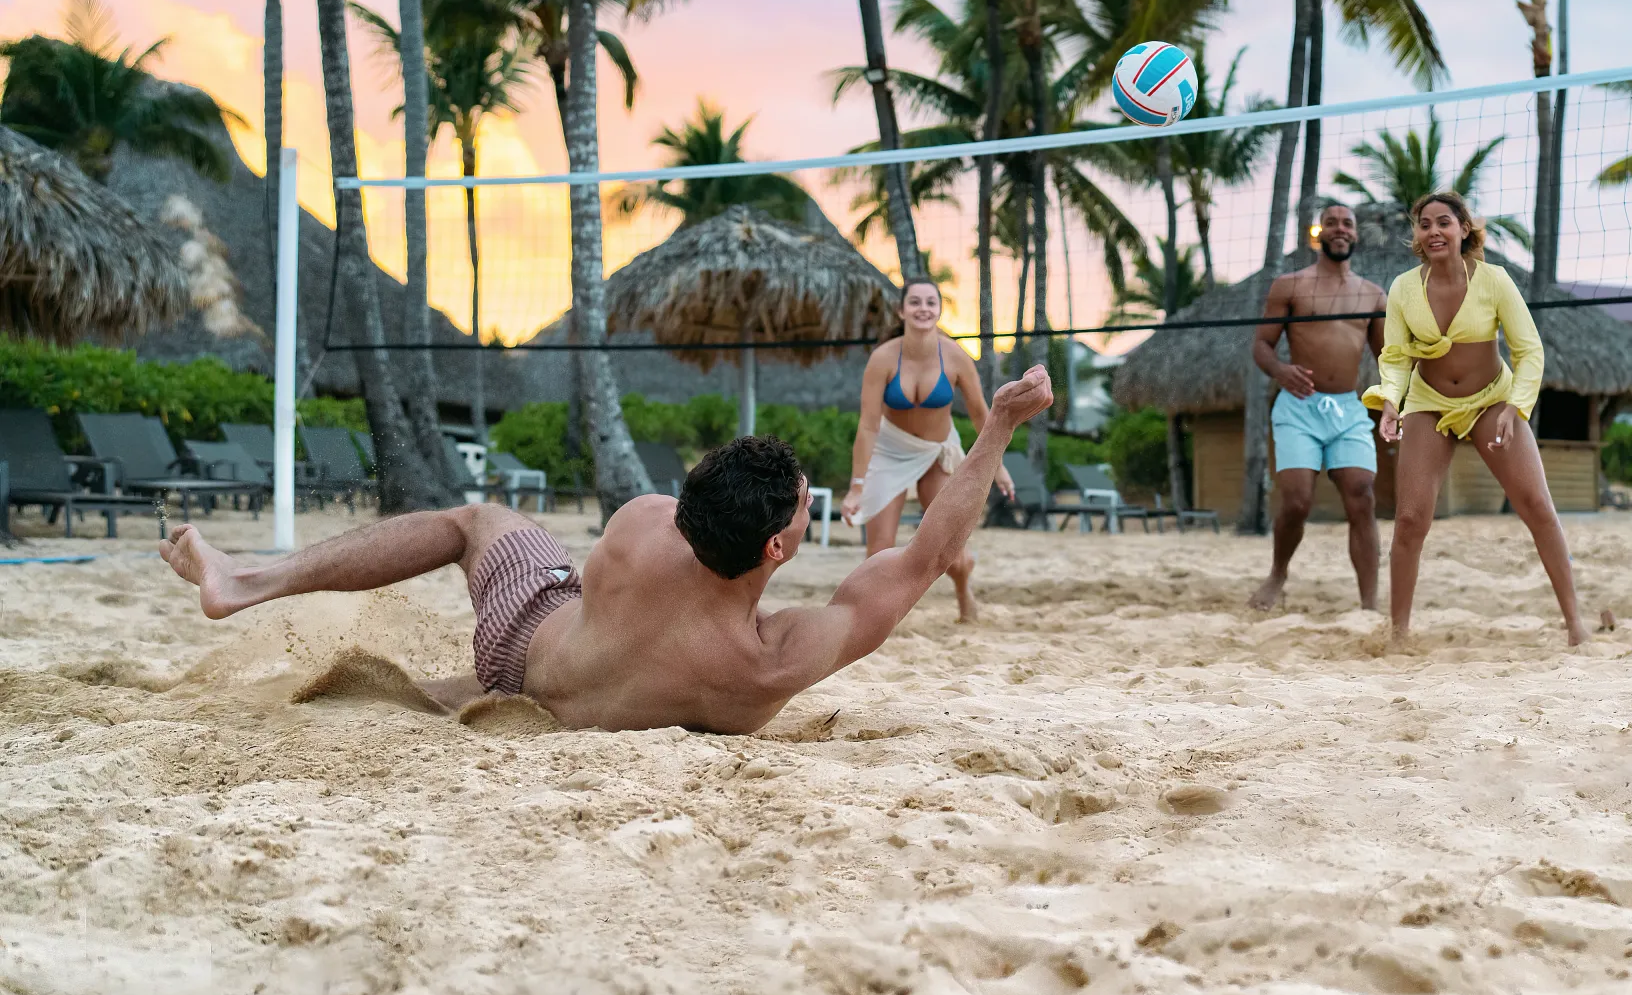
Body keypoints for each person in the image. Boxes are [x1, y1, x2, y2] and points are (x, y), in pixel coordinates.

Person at [159, 367, 1055, 735]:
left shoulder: (641, 523)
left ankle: (250, 579)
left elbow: (697, 515)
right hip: (574, 707)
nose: (810, 502)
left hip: (522, 647)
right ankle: (261, 592)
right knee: (479, 531)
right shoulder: (769, 662)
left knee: (474, 524)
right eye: (803, 504)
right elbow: (931, 554)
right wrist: (1000, 424)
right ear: (780, 543)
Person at [1365, 191, 1586, 647]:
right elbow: (1394, 355)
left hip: (1491, 400)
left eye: (1443, 222)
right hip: (1429, 401)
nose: (1433, 232)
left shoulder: (1495, 279)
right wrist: (1390, 399)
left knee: (1538, 508)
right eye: (1424, 224)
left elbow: (1529, 350)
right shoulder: (1405, 287)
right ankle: (1399, 634)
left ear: (1464, 229)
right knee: (1409, 519)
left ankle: (1575, 625)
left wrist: (1516, 407)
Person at [841, 277, 1012, 621]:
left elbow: (982, 413)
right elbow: (868, 425)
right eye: (915, 302)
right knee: (879, 550)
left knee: (951, 553)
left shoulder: (955, 356)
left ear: (938, 310)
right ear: (901, 309)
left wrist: (998, 467)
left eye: (930, 302)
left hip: (937, 452)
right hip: (890, 450)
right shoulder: (883, 358)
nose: (923, 309)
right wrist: (856, 487)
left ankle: (964, 591)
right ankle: (875, 621)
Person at [1249, 201, 1387, 610]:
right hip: (1298, 406)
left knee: (1361, 493)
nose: (1340, 229)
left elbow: (1386, 357)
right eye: (1332, 223)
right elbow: (1261, 345)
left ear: (1356, 234)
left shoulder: (1373, 294)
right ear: (1319, 234)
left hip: (1347, 408)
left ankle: (1368, 604)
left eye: (1347, 224)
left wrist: (1397, 400)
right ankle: (1278, 575)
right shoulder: (1290, 286)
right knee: (1296, 501)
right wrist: (1281, 371)